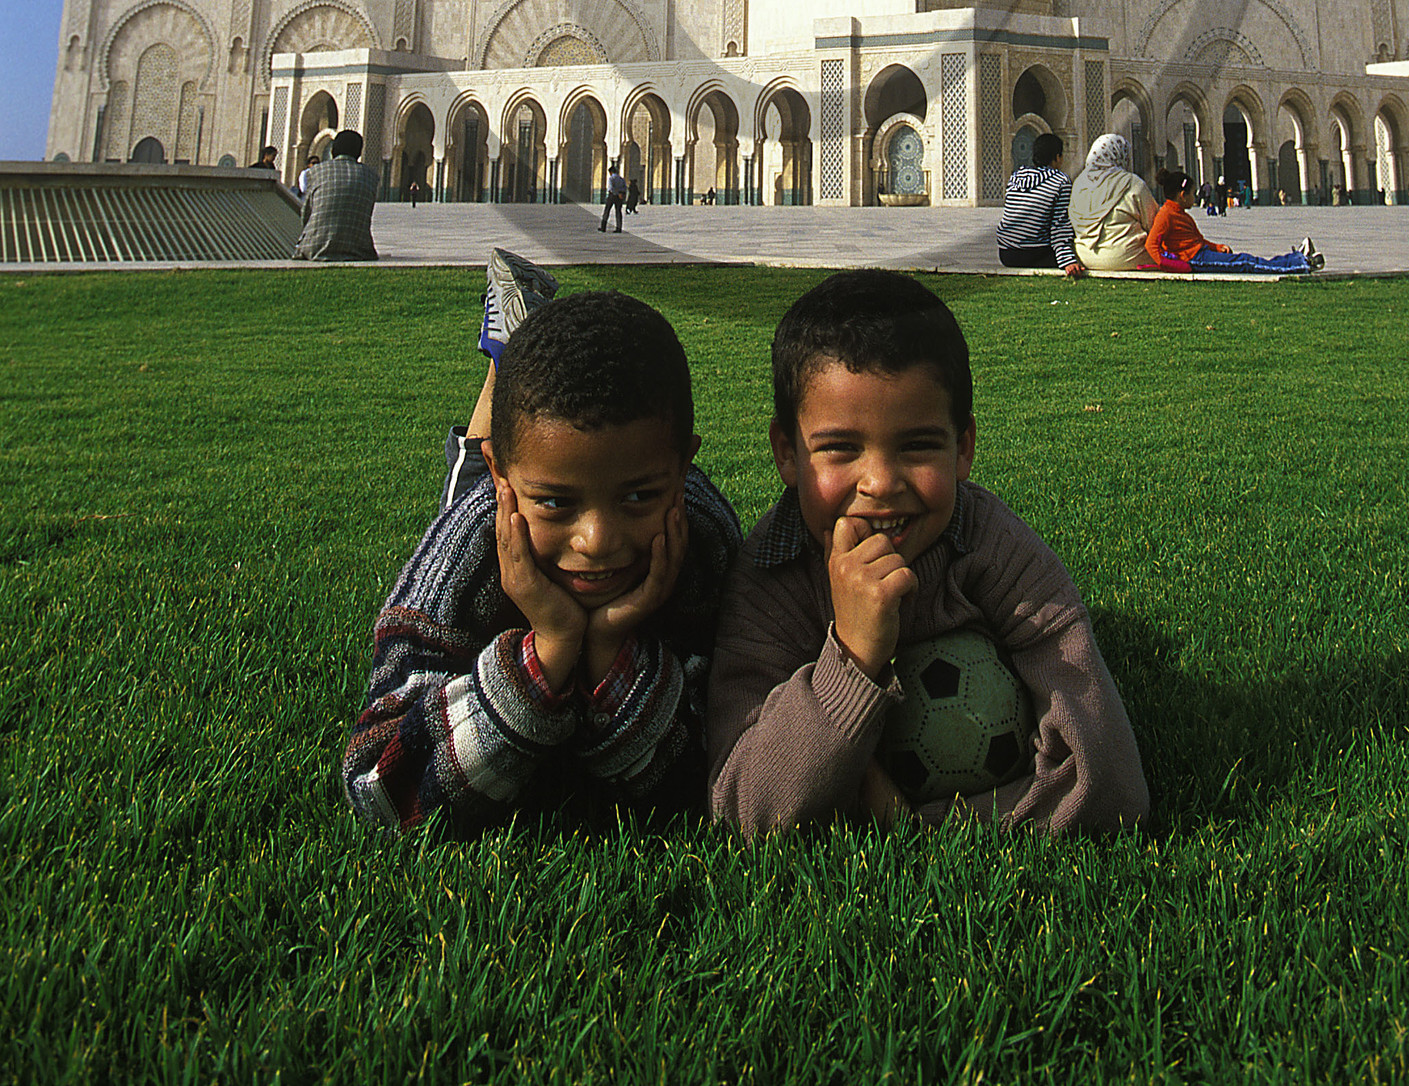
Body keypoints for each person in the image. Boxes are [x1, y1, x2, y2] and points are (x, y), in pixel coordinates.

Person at [707, 270, 1149, 837]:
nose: (881, 482)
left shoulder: (996, 551)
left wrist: (912, 826)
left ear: (962, 448)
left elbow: (1110, 787)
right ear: (787, 453)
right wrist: (852, 654)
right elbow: (746, 809)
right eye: (840, 448)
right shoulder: (773, 575)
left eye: (917, 446)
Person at [344, 261, 741, 836]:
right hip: (493, 496)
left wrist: (608, 647)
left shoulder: (704, 540)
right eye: (559, 505)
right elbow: (380, 786)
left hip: (539, 479)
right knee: (474, 469)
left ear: (684, 467)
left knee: (534, 459)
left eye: (637, 496)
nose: (597, 541)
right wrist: (548, 652)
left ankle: (516, 349)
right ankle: (504, 353)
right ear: (509, 486)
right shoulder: (469, 547)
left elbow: (721, 769)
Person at [1142, 169, 1324, 275]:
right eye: (1192, 192)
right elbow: (1152, 245)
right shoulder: (1166, 215)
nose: (1195, 196)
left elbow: (1196, 241)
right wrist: (1179, 266)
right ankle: (1300, 264)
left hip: (1202, 254)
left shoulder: (1179, 213)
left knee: (1244, 260)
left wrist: (1216, 247)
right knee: (1245, 263)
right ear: (1183, 195)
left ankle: (1296, 258)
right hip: (1196, 260)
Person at [1066, 132, 1158, 272]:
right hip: (1128, 258)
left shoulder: (1079, 183)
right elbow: (1154, 225)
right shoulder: (1132, 183)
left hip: (1085, 257)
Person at [994, 132, 1081, 273]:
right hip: (1034, 253)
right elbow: (1060, 226)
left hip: (1006, 254)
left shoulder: (1016, 177)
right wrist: (1067, 261)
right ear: (1057, 157)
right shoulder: (1061, 181)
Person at [293, 128, 379, 259]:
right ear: (359, 152)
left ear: (333, 150)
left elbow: (306, 214)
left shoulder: (314, 172)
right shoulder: (371, 176)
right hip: (358, 251)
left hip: (314, 248)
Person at [601, 163, 627, 234]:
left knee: (607, 211)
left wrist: (616, 193)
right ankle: (619, 228)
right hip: (619, 197)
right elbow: (625, 187)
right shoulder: (621, 179)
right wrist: (621, 194)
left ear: (611, 172)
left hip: (612, 196)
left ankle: (603, 227)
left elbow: (611, 188)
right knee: (618, 212)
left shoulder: (611, 178)